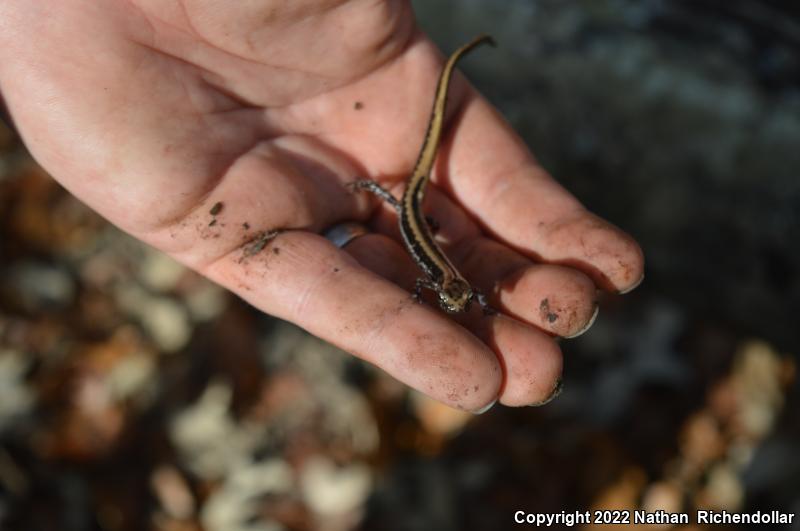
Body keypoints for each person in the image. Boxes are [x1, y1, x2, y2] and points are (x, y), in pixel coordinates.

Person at [0, 1, 643, 412]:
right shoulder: (436, 274)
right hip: (409, 205)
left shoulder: (438, 274)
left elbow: (442, 276)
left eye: (450, 297)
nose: (451, 297)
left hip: (415, 208)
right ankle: (390, 188)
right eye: (451, 297)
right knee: (409, 204)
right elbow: (437, 272)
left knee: (418, 211)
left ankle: (398, 180)